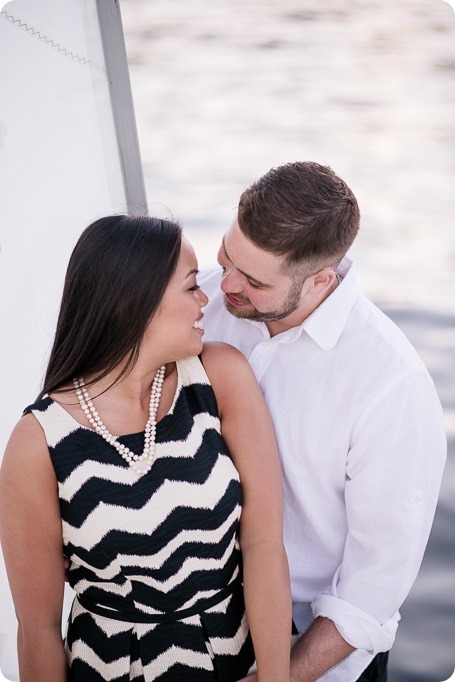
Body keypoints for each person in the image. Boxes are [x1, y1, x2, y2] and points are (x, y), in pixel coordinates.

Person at [0, 215, 291, 682]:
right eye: (192, 287)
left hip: (239, 658)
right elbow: (36, 629)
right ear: (136, 302)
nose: (206, 301)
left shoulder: (220, 376)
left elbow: (263, 546)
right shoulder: (38, 443)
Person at [198, 161, 447, 682]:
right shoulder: (200, 304)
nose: (226, 283)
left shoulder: (390, 386)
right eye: (227, 254)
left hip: (311, 652)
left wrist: (278, 676)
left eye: (254, 281)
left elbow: (372, 587)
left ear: (321, 280)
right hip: (201, 627)